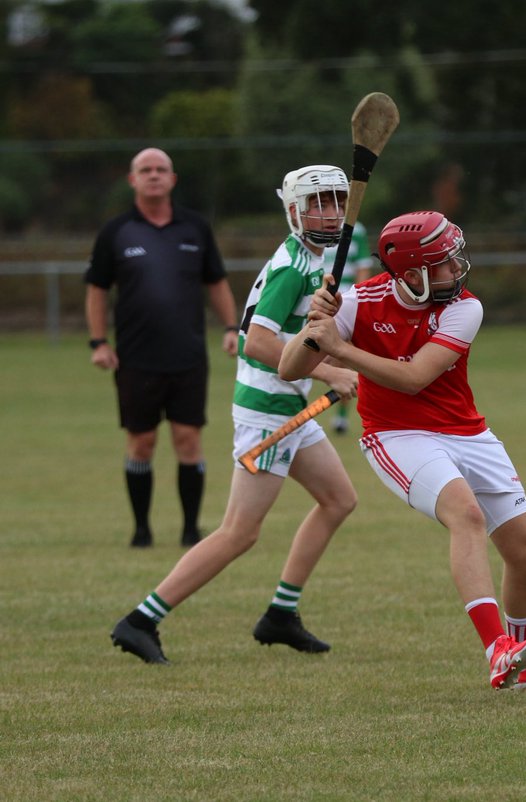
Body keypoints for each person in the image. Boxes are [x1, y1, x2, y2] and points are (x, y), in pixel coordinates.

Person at [279, 210, 526, 692]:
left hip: (467, 433)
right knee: (466, 514)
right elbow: (291, 368)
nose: (455, 269)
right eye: (442, 263)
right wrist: (315, 325)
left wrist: (343, 348)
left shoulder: (465, 308)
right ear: (412, 273)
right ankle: (498, 649)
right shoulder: (357, 302)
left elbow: (415, 377)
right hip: (396, 435)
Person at [110, 165, 360, 665]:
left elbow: (305, 339)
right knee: (239, 533)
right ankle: (140, 621)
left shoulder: (315, 260)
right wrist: (331, 374)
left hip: (289, 403)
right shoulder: (294, 266)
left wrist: (336, 359)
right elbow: (258, 341)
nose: (329, 214)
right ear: (293, 211)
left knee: (338, 499)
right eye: (317, 204)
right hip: (268, 412)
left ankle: (280, 616)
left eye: (336, 202)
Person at [85, 147, 240, 549]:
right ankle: (142, 530)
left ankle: (191, 530)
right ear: (132, 180)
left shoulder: (195, 228)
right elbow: (97, 290)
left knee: (189, 439)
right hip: (136, 358)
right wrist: (99, 341)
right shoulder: (116, 232)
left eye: (161, 169)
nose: (153, 175)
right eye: (145, 170)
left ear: (172, 179)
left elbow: (216, 282)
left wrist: (230, 327)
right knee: (142, 442)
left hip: (188, 356)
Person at [332, 220, 377, 435]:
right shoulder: (312, 226)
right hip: (314, 302)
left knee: (343, 361)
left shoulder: (356, 230)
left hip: (344, 304)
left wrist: (358, 300)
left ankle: (341, 417)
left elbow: (363, 267)